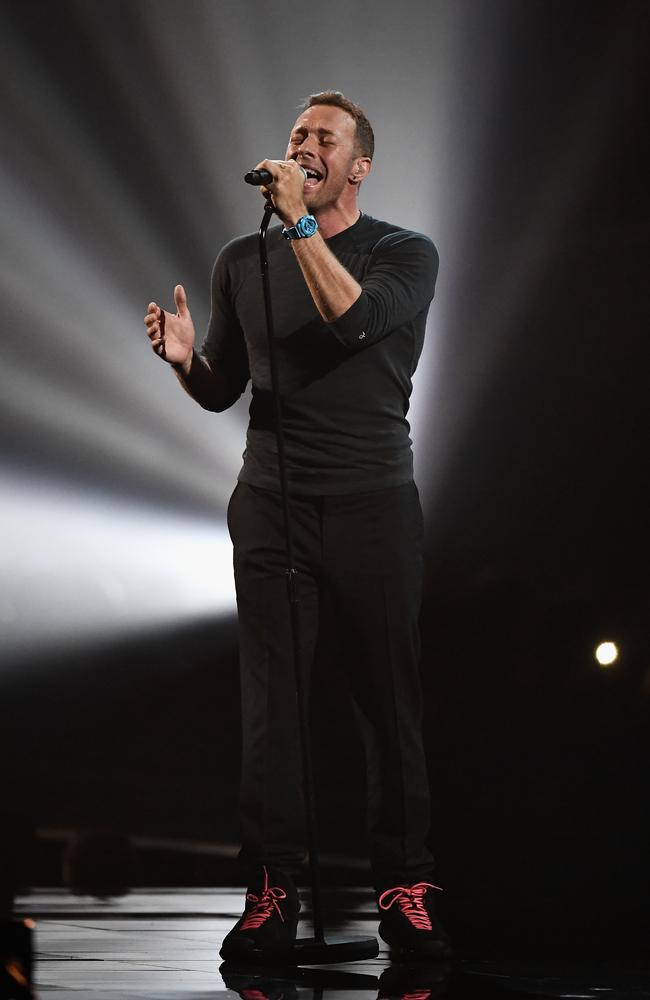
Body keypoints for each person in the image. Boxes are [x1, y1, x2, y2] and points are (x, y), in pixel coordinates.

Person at [144, 91, 450, 961]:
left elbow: (352, 320)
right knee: (271, 710)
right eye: (295, 136)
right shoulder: (244, 260)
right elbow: (225, 387)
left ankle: (405, 884)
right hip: (272, 506)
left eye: (325, 138)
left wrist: (298, 229)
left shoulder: (404, 254)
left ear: (358, 166)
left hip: (372, 505)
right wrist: (185, 364)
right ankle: (271, 889)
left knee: (387, 705)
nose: (304, 145)